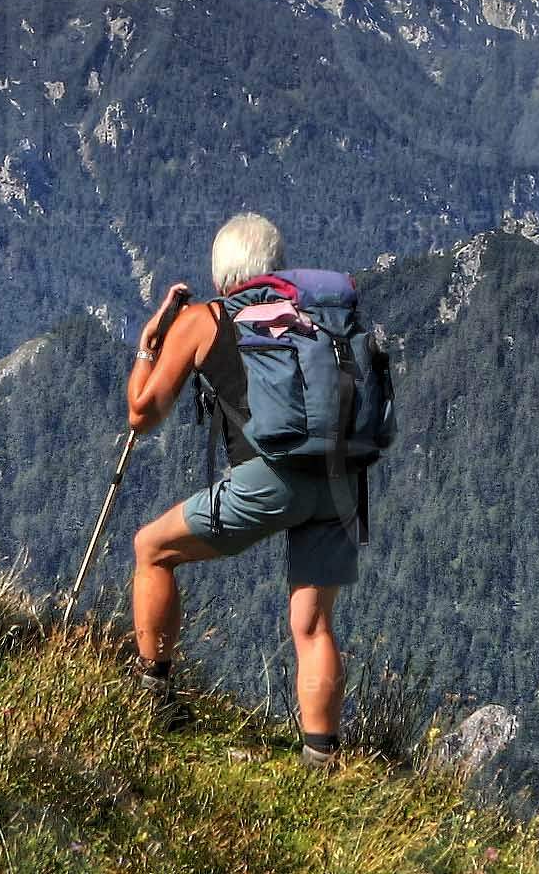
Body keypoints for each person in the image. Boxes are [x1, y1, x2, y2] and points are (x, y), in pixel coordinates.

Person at [123, 213, 366, 764]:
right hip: (341, 479)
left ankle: (155, 699)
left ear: (221, 271)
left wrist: (148, 345)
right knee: (313, 624)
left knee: (151, 550)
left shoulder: (206, 318)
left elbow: (142, 414)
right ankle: (322, 761)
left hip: (270, 479)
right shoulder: (316, 316)